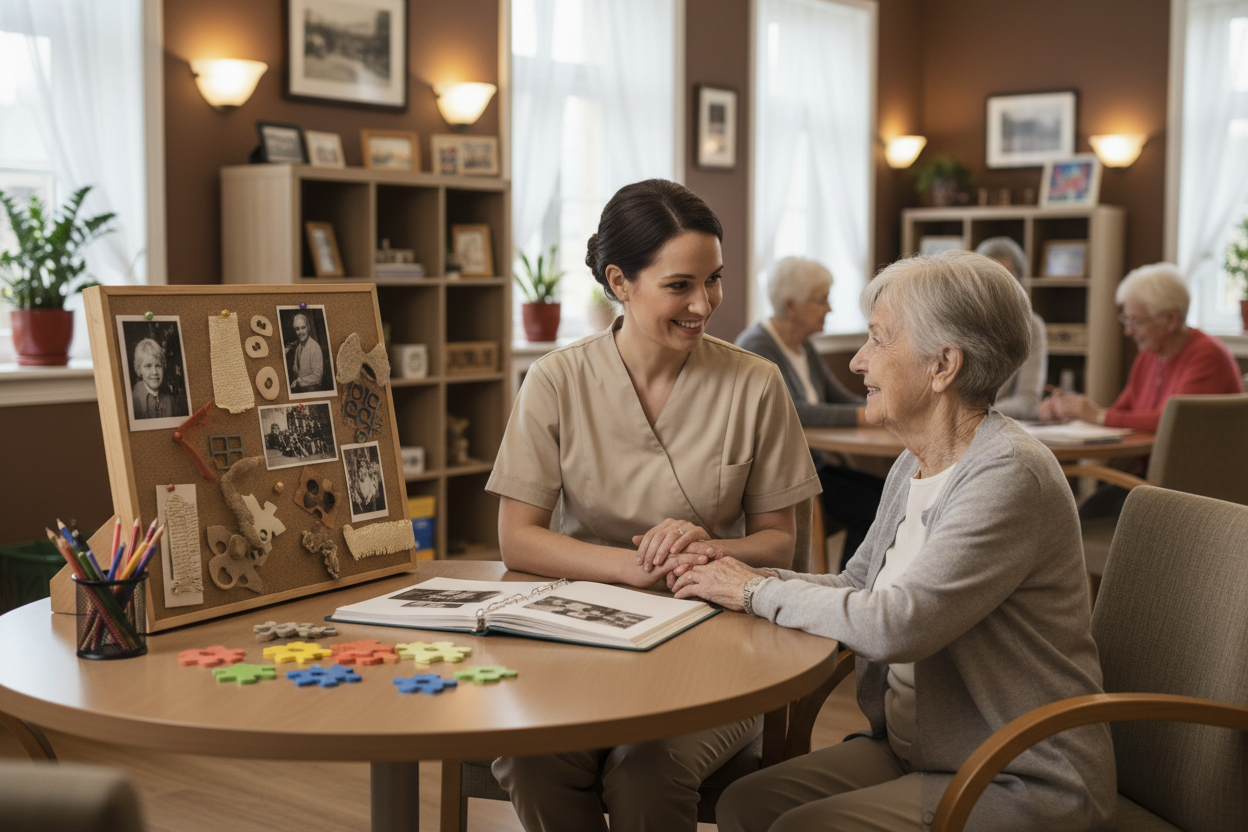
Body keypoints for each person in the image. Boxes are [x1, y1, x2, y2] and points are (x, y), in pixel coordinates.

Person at [672, 250, 1116, 832]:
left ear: (943, 366)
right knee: (743, 806)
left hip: (1019, 770)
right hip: (923, 746)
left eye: (878, 340)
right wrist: (723, 570)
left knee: (800, 828)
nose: (857, 360)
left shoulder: (1009, 474)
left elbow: (896, 624)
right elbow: (857, 586)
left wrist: (754, 591)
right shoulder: (916, 461)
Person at [485, 178, 822, 832]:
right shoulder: (557, 379)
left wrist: (704, 545)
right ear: (620, 281)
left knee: (647, 765)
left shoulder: (756, 383)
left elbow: (781, 543)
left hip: (718, 640)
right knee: (532, 758)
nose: (704, 304)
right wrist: (628, 567)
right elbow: (518, 539)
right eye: (680, 285)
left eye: (714, 280)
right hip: (584, 633)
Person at [735, 257, 881, 568]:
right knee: (873, 508)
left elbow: (837, 397)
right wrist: (865, 416)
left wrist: (881, 406)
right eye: (822, 299)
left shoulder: (804, 345)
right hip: (785, 478)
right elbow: (794, 412)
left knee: (888, 493)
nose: (829, 308)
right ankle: (849, 590)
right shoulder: (758, 347)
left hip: (814, 465)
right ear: (790, 306)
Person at [1039, 262, 1242, 430]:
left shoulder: (1208, 356)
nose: (1128, 331)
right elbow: (1121, 413)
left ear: (1171, 319)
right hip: (1146, 472)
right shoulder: (1149, 355)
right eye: (1126, 320)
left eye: (1136, 322)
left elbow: (1171, 423)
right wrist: (1072, 412)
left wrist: (1095, 414)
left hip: (1189, 476)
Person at [975, 236, 1047, 419]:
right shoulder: (959, 321)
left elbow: (1028, 402)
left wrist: (975, 416)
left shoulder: (1032, 327)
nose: (1001, 285)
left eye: (1008, 276)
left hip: (1000, 428)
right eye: (992, 276)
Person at [130, 337, 188, 420]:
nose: (154, 372)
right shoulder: (134, 400)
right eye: (148, 366)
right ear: (139, 369)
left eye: (158, 366)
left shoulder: (173, 397)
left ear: (164, 367)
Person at [286, 312, 325, 392]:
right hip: (302, 389)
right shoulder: (298, 348)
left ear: (309, 327)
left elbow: (317, 377)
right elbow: (296, 370)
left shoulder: (314, 347)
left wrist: (298, 381)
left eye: (303, 327)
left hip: (313, 390)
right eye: (297, 329)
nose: (300, 332)